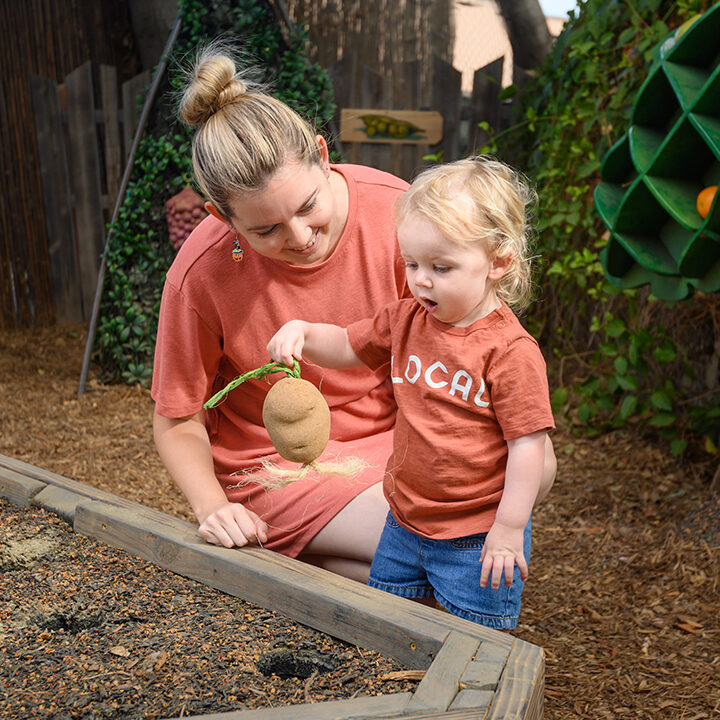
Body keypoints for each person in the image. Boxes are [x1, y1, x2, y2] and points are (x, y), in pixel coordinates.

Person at [151, 43, 413, 582]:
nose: (299, 238)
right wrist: (211, 508)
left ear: (322, 153)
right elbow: (176, 418)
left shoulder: (399, 216)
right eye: (265, 229)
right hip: (272, 468)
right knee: (433, 544)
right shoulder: (200, 273)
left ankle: (299, 566)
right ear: (220, 217)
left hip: (392, 441)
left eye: (308, 206)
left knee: (479, 521)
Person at [267, 156, 556, 628]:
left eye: (441, 267)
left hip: (476, 532)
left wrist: (509, 526)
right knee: (387, 622)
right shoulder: (406, 322)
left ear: (499, 262)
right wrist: (302, 331)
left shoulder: (510, 352)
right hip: (404, 518)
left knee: (475, 638)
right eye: (412, 263)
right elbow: (345, 344)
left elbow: (527, 447)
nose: (421, 279)